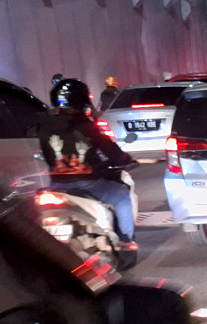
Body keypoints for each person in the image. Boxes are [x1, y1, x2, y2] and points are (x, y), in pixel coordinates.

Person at [37, 78, 137, 249]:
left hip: (55, 184)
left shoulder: (43, 127)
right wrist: (125, 160)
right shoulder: (87, 126)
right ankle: (126, 241)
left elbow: (42, 155)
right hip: (88, 183)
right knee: (121, 196)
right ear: (81, 100)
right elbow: (112, 152)